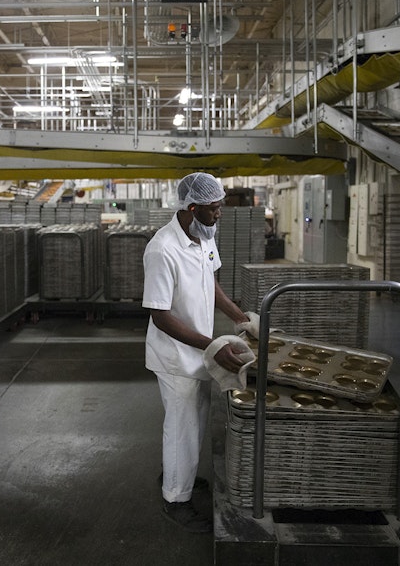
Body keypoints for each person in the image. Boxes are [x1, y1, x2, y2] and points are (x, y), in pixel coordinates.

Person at [142, 172, 254, 534]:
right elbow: (160, 316)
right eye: (214, 207)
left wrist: (239, 319)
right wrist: (213, 346)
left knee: (196, 421)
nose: (219, 213)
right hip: (176, 356)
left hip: (200, 351)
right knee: (183, 427)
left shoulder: (204, 234)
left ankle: (180, 472)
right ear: (192, 207)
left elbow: (211, 281)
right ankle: (176, 499)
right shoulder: (163, 249)